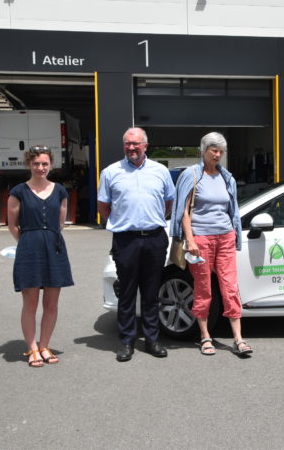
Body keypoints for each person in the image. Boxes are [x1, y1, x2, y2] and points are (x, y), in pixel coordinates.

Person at [98, 128, 175, 362]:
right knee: (127, 292)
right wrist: (124, 222)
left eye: (136, 143)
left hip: (154, 238)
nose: (131, 148)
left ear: (145, 146)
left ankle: (152, 340)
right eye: (127, 144)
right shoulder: (111, 172)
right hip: (126, 240)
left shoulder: (161, 171)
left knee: (151, 291)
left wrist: (152, 219)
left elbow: (169, 203)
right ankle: (126, 342)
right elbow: (103, 206)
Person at [170, 132, 250, 356]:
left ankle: (238, 338)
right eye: (214, 150)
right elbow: (183, 211)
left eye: (221, 151)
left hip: (225, 237)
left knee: (230, 287)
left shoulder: (226, 177)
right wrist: (190, 239)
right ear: (203, 150)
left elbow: (231, 209)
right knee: (203, 288)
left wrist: (234, 233)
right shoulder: (192, 175)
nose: (218, 155)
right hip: (201, 239)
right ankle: (205, 336)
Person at [7, 146, 74, 367]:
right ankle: (32, 348)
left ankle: (44, 345)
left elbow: (60, 223)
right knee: (31, 303)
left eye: (45, 164)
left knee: (51, 303)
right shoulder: (18, 191)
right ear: (29, 164)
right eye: (36, 163)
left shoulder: (60, 191)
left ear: (51, 165)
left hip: (54, 248)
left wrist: (46, 238)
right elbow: (13, 225)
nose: (40, 168)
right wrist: (28, 242)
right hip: (29, 249)